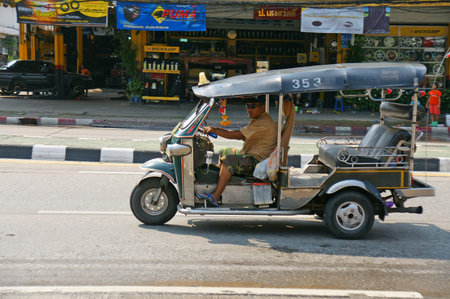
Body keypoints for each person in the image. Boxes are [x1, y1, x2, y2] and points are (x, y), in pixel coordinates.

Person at [198, 97, 277, 206]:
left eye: (253, 106)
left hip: (257, 162)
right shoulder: (259, 120)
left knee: (229, 160)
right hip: (250, 156)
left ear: (263, 107)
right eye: (248, 106)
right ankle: (221, 184)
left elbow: (239, 135)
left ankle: (215, 196)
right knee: (224, 151)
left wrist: (215, 130)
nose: (249, 109)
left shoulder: (264, 123)